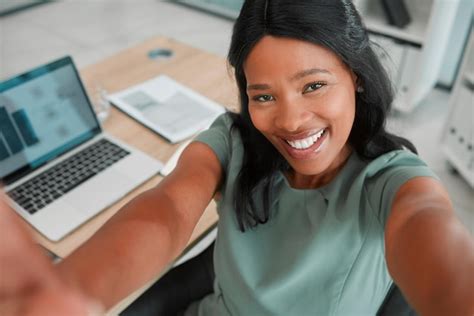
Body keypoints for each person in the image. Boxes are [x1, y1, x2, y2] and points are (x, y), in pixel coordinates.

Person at [1, 0, 473, 315]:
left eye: (313, 85)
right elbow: (166, 210)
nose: (289, 121)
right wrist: (62, 294)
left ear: (358, 77)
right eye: (263, 95)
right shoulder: (235, 140)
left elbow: (432, 236)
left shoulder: (391, 181)